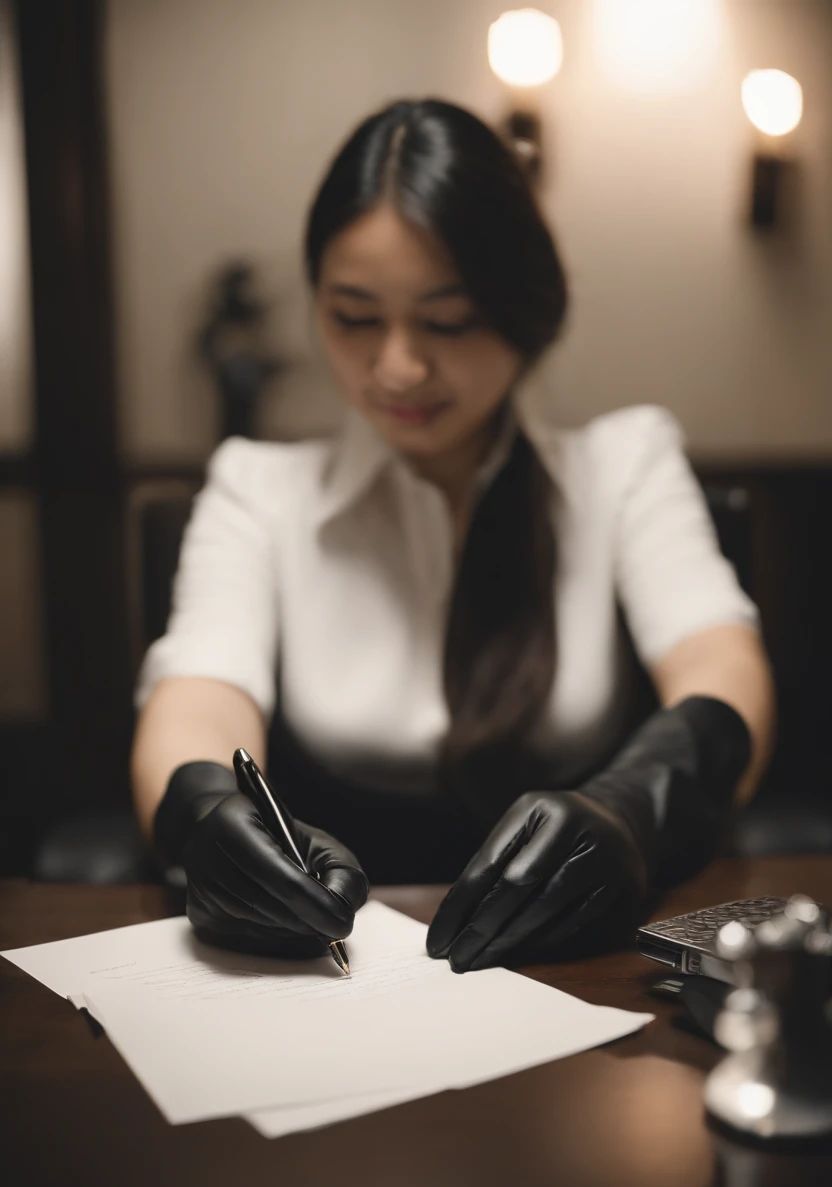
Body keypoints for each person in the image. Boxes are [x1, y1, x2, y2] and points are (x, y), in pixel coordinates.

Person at [131, 99, 774, 973]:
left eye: (448, 320)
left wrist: (634, 808)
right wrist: (201, 812)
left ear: (526, 312)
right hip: (325, 975)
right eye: (355, 317)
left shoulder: (624, 467)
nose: (398, 366)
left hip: (584, 975)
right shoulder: (258, 489)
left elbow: (723, 669)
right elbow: (197, 698)